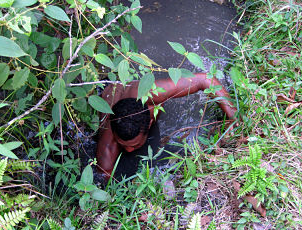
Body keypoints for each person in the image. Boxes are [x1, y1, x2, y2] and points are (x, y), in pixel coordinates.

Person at [96, 73, 237, 178]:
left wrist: (234, 118)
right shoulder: (107, 146)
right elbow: (103, 178)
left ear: (150, 122)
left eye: (135, 145)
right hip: (110, 93)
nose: (128, 149)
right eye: (123, 144)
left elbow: (205, 79)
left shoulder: (152, 93)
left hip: (129, 86)